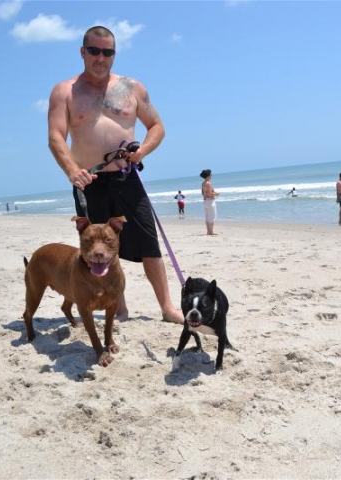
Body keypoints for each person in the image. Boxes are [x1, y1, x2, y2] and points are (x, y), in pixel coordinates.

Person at [47, 25, 183, 325]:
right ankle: (118, 309)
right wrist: (72, 171)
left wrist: (143, 151)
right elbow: (56, 136)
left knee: (150, 243)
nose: (100, 57)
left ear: (114, 54)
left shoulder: (132, 87)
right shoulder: (65, 91)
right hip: (90, 182)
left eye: (107, 52)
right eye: (94, 51)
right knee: (102, 247)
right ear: (83, 52)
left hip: (126, 176)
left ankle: (168, 307)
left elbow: (157, 126)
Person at [200, 169, 219, 235]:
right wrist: (216, 194)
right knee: (212, 217)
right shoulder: (208, 183)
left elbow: (203, 193)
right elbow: (210, 194)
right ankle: (211, 232)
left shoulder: (203, 183)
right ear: (208, 175)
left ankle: (208, 232)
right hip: (210, 201)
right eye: (210, 174)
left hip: (205, 201)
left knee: (207, 217)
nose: (211, 175)